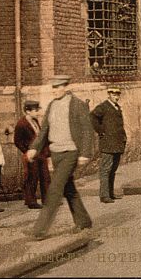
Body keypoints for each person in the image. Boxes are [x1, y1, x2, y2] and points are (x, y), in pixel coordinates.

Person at [24, 75, 95, 240]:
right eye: (53, 88)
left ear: (65, 87)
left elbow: (87, 130)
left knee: (54, 188)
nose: (54, 91)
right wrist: (34, 148)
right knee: (68, 188)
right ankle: (84, 221)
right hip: (56, 153)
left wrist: (85, 153)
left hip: (71, 152)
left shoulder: (77, 105)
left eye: (57, 87)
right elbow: (44, 131)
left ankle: (39, 229)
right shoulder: (52, 105)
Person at [91, 86, 127, 203]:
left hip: (116, 143)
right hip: (108, 143)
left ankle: (110, 193)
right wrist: (101, 131)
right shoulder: (104, 107)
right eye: (113, 95)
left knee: (113, 169)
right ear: (109, 95)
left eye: (117, 95)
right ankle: (104, 195)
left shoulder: (117, 107)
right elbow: (92, 117)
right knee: (105, 169)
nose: (116, 97)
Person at [13, 100, 50, 209]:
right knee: (32, 178)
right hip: (31, 155)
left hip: (41, 153)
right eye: (35, 110)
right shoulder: (21, 124)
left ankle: (47, 201)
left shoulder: (35, 121)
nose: (37, 112)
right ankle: (31, 201)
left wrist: (46, 152)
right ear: (27, 111)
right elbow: (17, 141)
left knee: (45, 177)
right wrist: (27, 152)